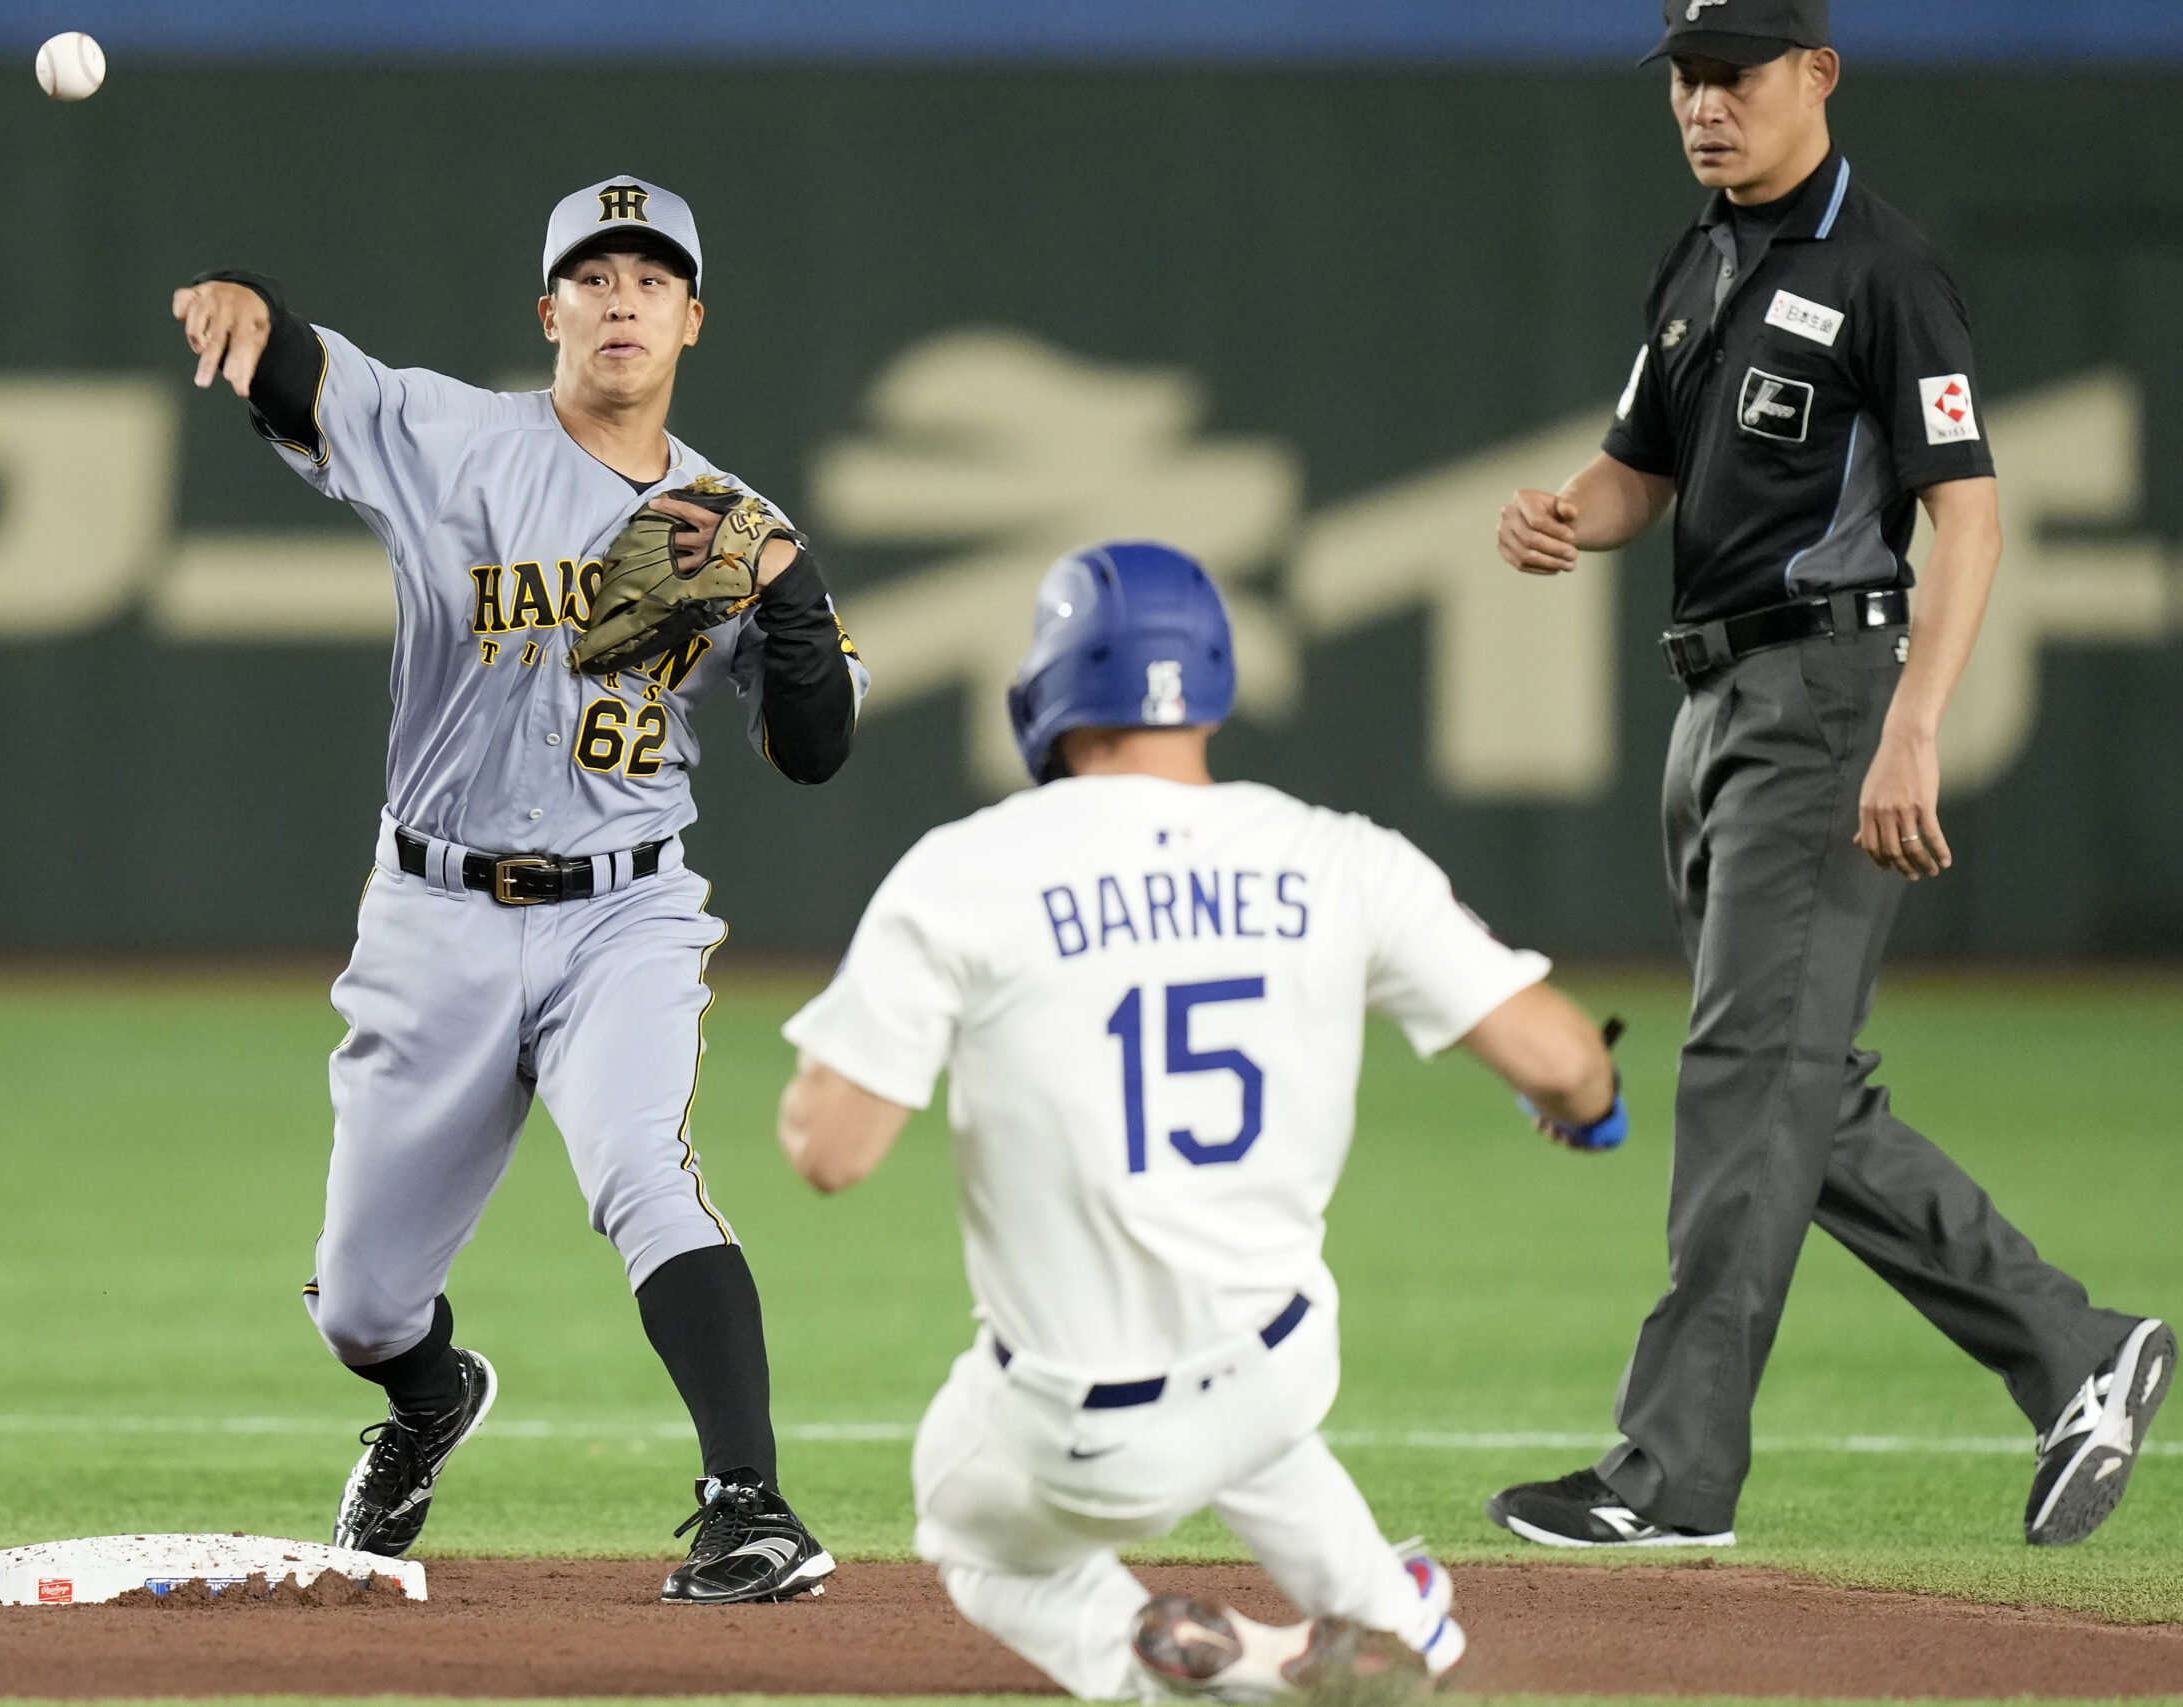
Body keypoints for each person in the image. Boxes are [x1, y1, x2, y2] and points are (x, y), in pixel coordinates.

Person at [1488, 0, 2167, 1551]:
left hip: (1828, 692)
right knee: (1793, 1092)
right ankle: (2076, 1347)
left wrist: (1916, 722)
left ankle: (1671, 1474)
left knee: (1746, 1081)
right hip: (1715, 698)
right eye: (1686, 78)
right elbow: (1639, 470)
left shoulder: (1887, 265)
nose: (1705, 105)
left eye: (1735, 74)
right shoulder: (1701, 256)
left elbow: (1972, 514)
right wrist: (1566, 517)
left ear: (1818, 74)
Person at [168, 174, 865, 1602]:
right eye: (595, 277)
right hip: (435, 912)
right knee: (361, 1298)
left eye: (651, 278)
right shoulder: (453, 440)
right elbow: (308, 380)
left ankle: (753, 1505)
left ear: (691, 320)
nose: (622, 298)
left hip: (626, 909)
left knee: (642, 1174)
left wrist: (790, 605)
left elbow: (815, 748)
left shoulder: (728, 521)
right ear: (550, 311)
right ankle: (428, 1398)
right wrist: (256, 313)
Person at [774, 541, 1624, 1700]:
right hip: (1280, 1360)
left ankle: (1237, 1671)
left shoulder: (969, 870)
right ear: (1213, 683)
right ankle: (1388, 1623)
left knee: (968, 1531)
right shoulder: (1338, 857)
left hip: (1080, 1428)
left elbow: (832, 1152)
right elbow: (1569, 1063)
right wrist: (1587, 1113)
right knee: (1259, 1420)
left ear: (1047, 689)